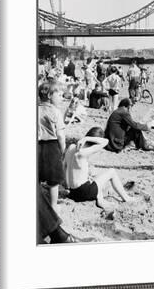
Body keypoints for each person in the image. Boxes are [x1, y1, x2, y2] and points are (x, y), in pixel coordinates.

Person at [64, 127, 135, 211]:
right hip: (84, 193)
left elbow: (64, 166)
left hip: (73, 192)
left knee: (94, 177)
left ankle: (100, 198)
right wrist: (86, 138)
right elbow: (106, 142)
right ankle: (126, 198)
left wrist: (67, 185)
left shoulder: (71, 147)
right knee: (111, 172)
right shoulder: (83, 152)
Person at [38, 82, 66, 214]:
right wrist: (62, 149)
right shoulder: (56, 112)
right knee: (53, 181)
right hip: (52, 146)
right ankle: (53, 205)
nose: (61, 97)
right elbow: (60, 135)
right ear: (49, 95)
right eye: (58, 94)